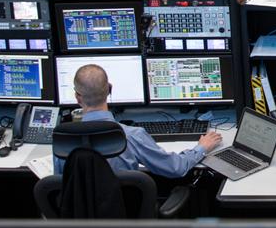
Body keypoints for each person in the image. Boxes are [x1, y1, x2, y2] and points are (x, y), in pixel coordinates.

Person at [56, 64, 222, 178]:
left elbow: (60, 183)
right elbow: (175, 168)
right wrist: (201, 148)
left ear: (77, 97)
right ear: (109, 90)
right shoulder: (131, 135)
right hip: (123, 218)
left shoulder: (63, 140)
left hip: (76, 225)